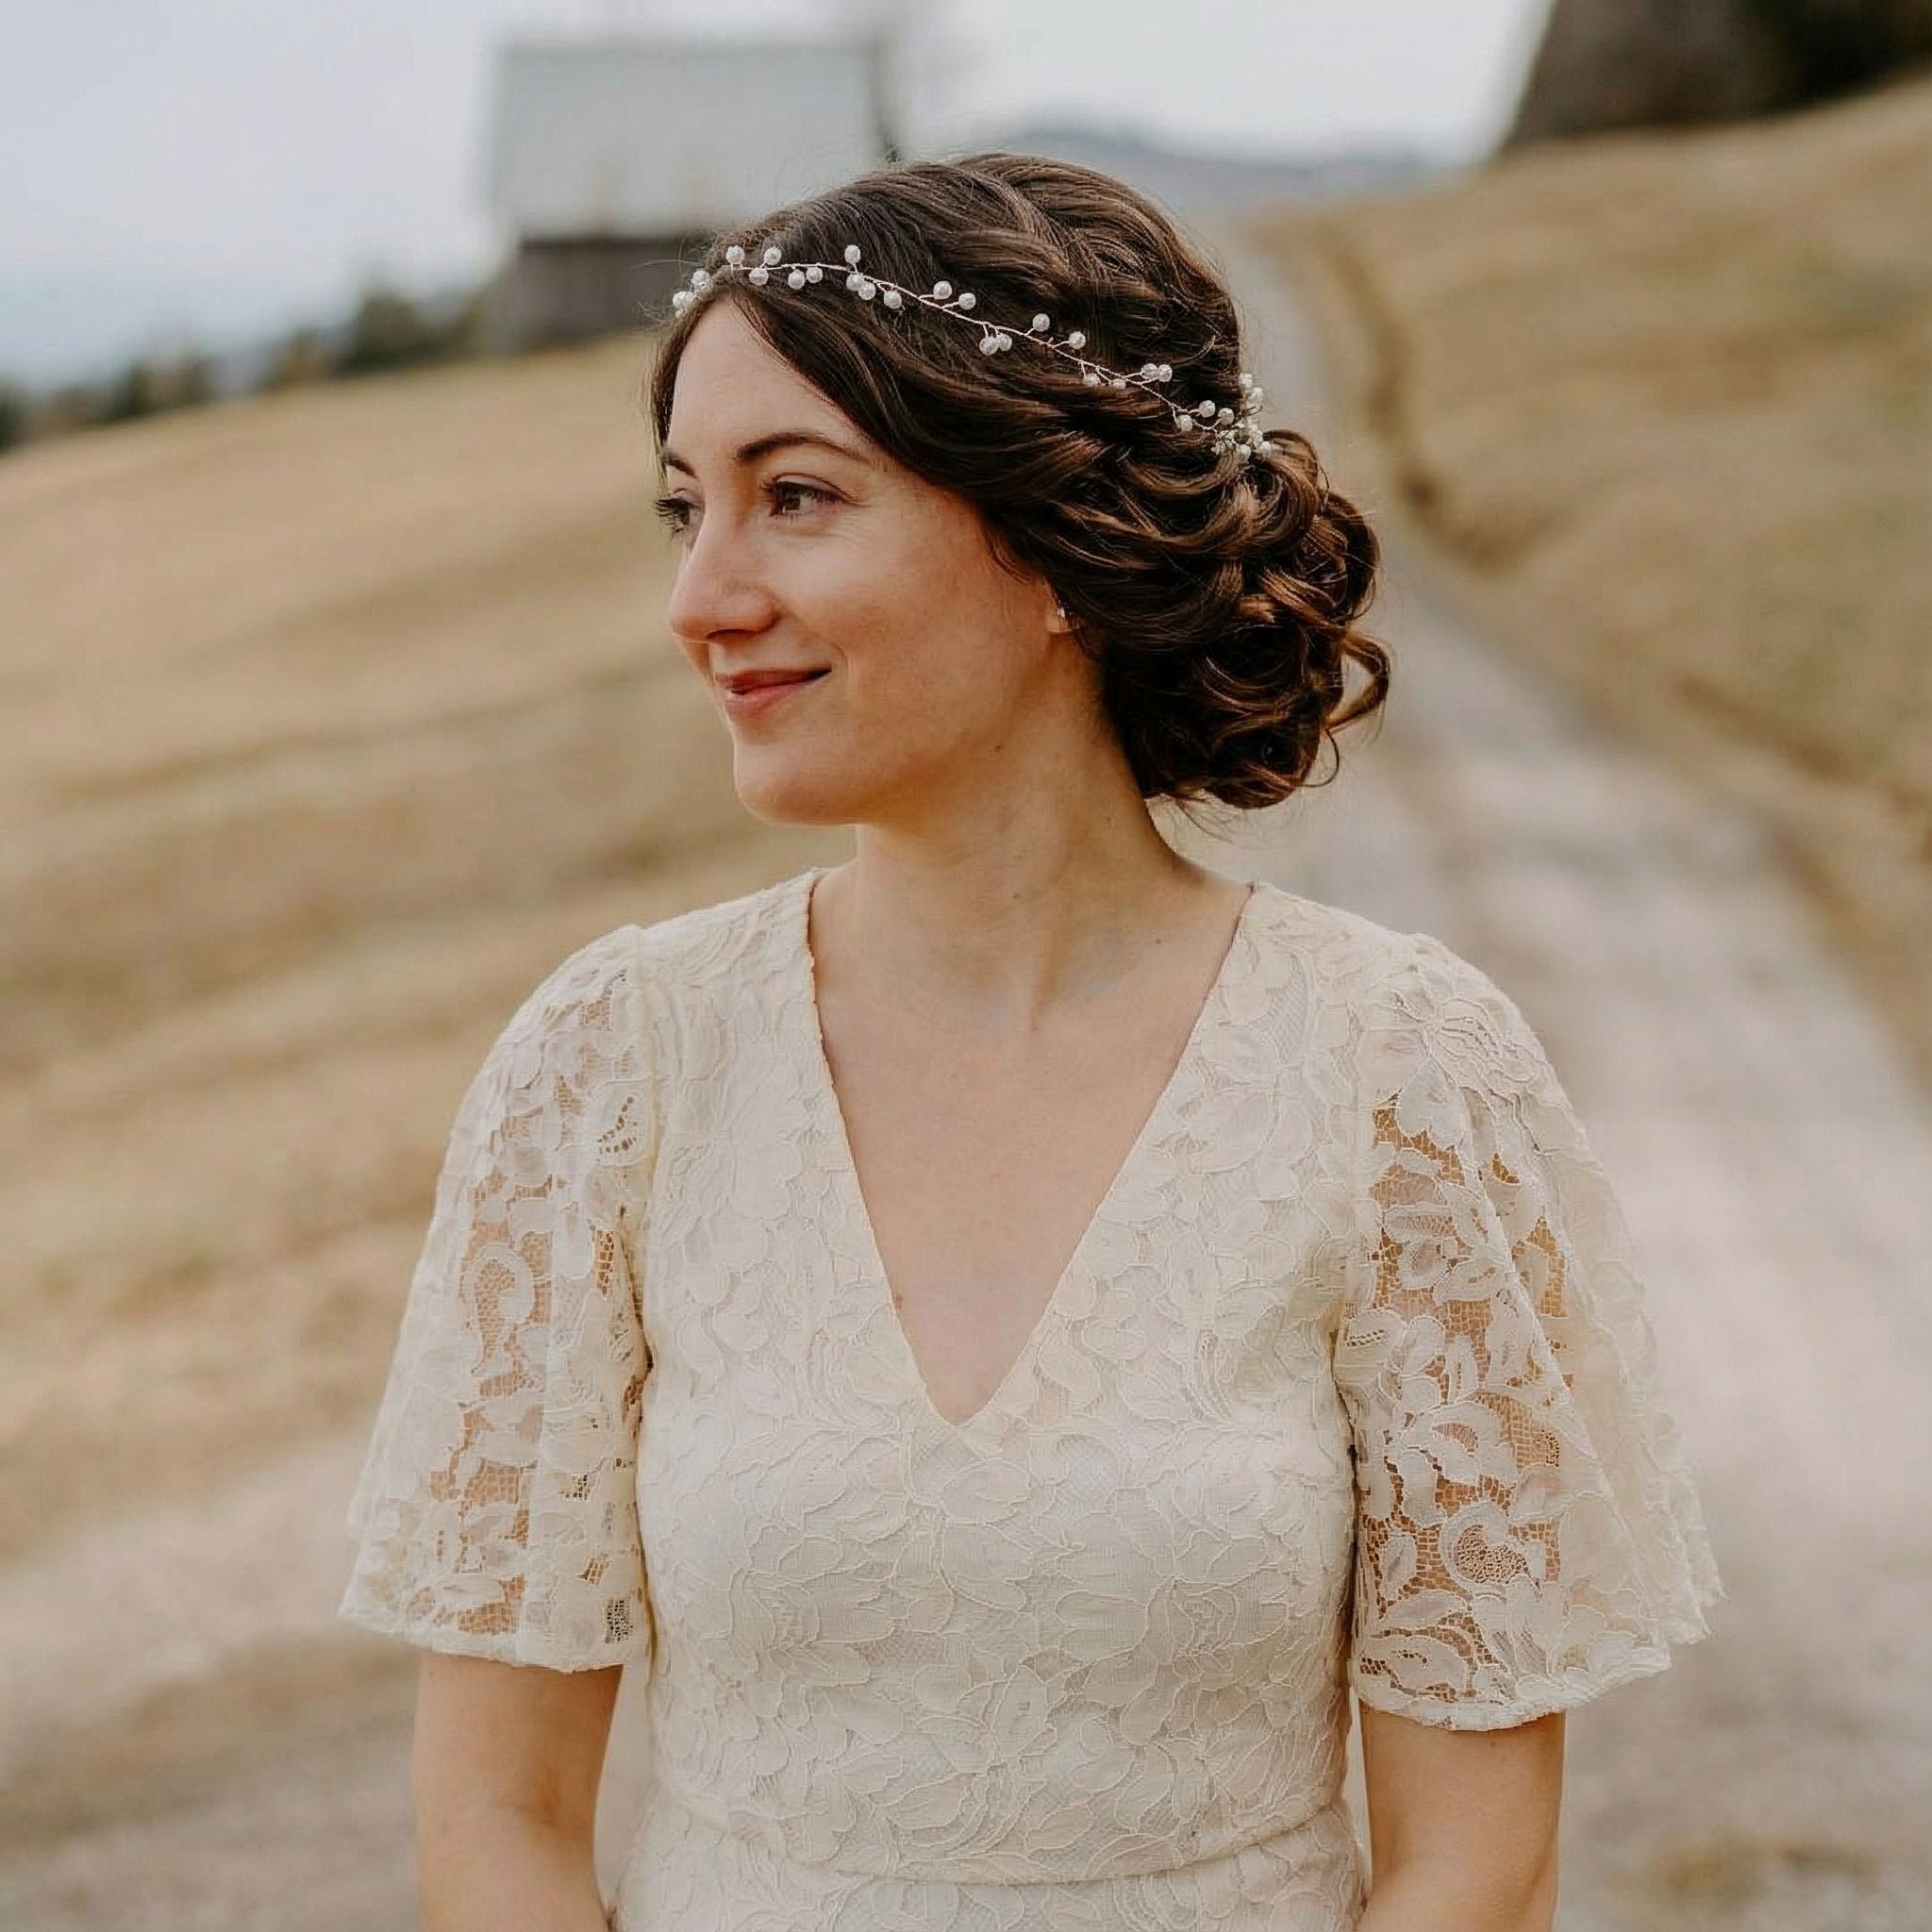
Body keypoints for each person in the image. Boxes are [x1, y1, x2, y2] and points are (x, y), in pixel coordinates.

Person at [336, 152, 1724, 1932]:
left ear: (1059, 540)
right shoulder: (611, 1070)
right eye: (687, 507)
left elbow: (1477, 1860)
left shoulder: (1401, 1077)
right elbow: (499, 1830)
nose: (702, 597)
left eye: (798, 498)